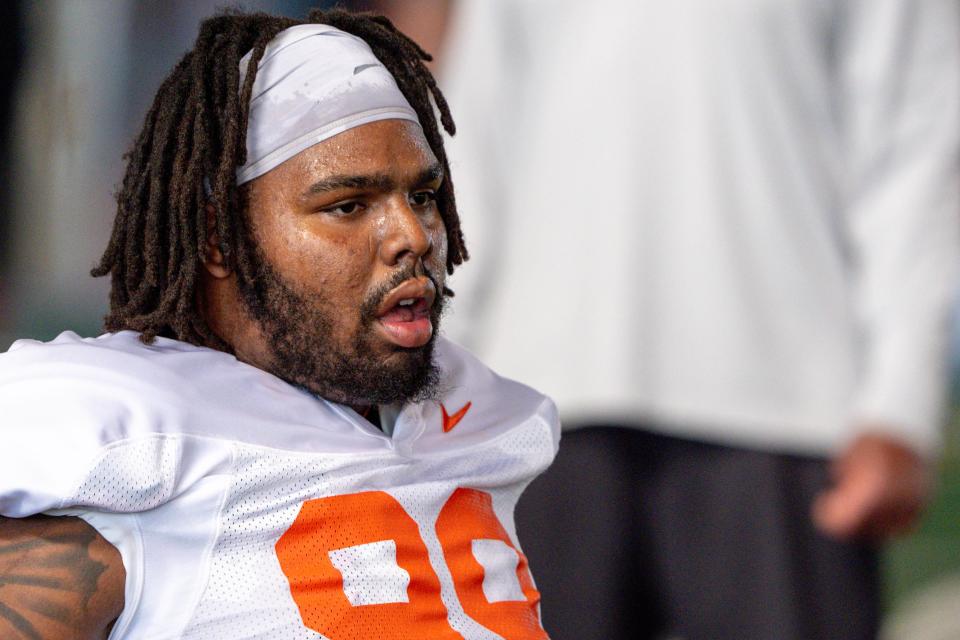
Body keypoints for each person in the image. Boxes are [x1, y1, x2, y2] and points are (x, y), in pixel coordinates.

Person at [0, 8, 558, 639]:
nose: (412, 237)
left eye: (422, 197)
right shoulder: (127, 424)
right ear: (219, 239)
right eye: (348, 205)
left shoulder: (486, 411)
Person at [436, 1, 960, 639]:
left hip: (784, 413)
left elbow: (911, 141)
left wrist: (899, 405)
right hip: (533, 411)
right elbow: (477, 141)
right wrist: (434, 382)